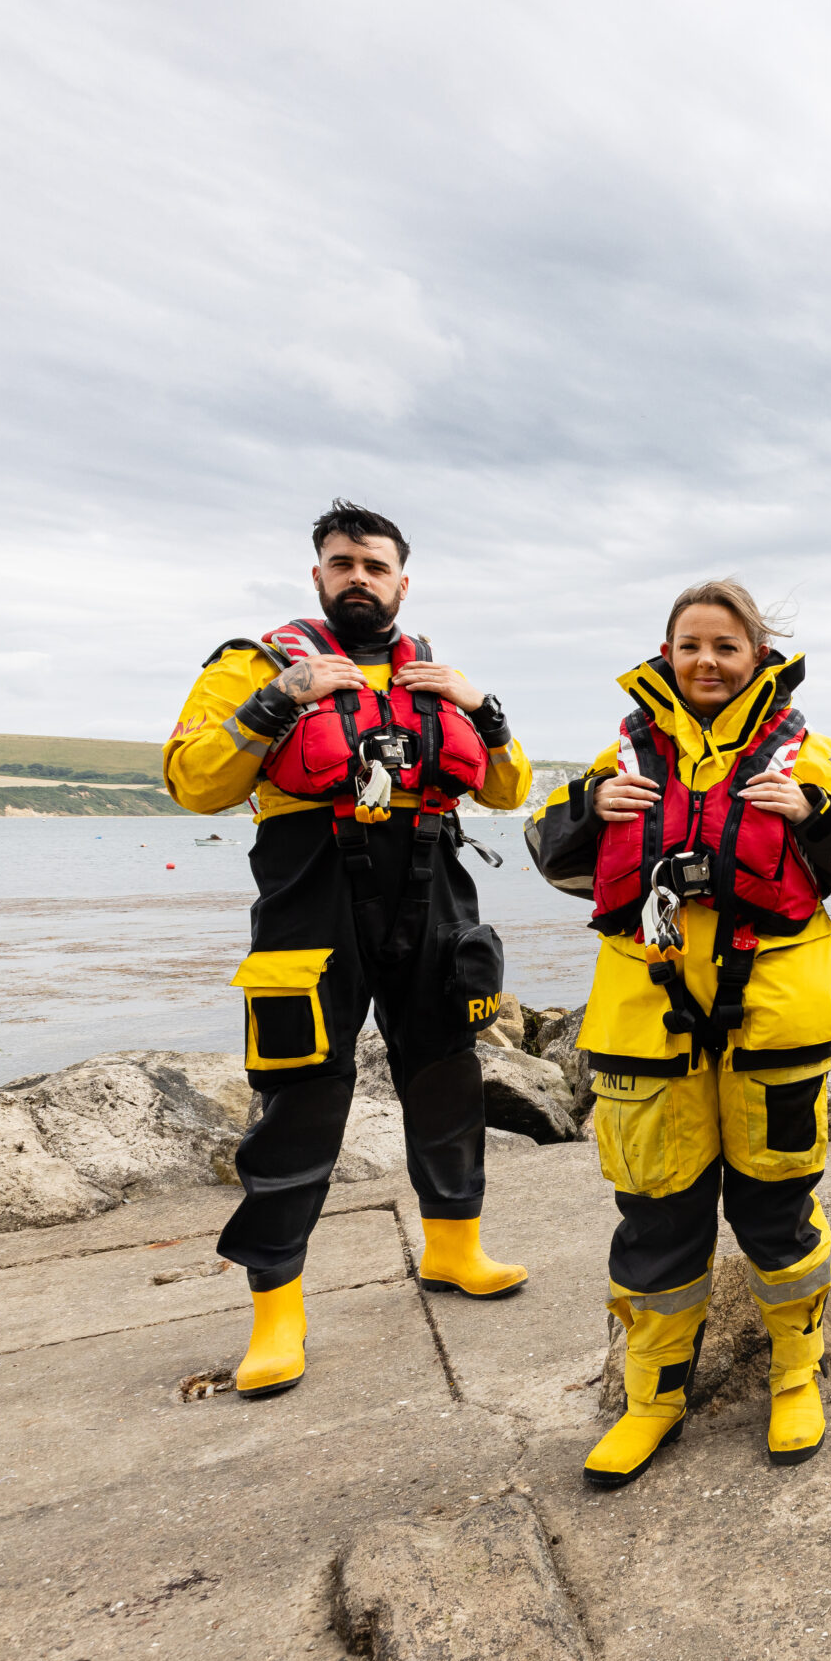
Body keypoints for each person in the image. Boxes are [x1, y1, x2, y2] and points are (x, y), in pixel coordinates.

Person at [525, 580, 831, 1483]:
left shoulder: (809, 754)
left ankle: (796, 1377)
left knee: (778, 1210)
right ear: (666, 654)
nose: (706, 661)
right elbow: (553, 857)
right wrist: (588, 810)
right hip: (645, 1021)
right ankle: (652, 1401)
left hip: (773, 1016)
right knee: (657, 1217)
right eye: (690, 645)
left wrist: (813, 815)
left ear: (756, 656)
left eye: (725, 646)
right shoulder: (621, 756)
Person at [163, 500, 532, 1400]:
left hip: (433, 891)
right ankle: (276, 1312)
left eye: (375, 566)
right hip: (311, 897)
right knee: (300, 1096)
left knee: (447, 1074)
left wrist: (483, 710)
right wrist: (279, 699)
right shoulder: (256, 665)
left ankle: (454, 1247)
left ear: (403, 582)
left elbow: (508, 789)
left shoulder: (434, 675)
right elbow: (193, 783)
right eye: (342, 563)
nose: (358, 577)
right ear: (318, 575)